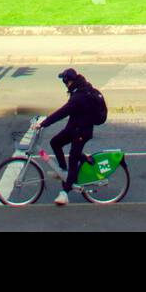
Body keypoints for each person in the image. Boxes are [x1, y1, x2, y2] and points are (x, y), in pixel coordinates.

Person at [35, 68, 105, 206]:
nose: (64, 84)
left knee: (73, 158)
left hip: (82, 132)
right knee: (55, 142)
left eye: (64, 81)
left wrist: (43, 123)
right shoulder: (78, 89)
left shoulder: (79, 95)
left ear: (69, 81)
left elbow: (62, 112)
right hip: (74, 128)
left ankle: (65, 193)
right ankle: (63, 171)